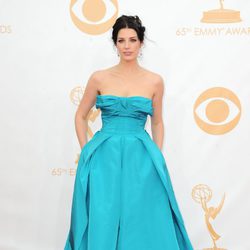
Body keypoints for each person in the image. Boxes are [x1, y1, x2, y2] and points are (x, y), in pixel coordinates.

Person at [64, 14, 194, 250]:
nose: (127, 46)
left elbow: (157, 122)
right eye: (121, 40)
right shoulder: (99, 77)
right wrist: (86, 151)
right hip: (103, 155)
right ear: (115, 43)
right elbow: (80, 115)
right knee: (104, 212)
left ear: (141, 43)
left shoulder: (155, 81)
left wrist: (156, 155)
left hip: (141, 155)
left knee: (142, 215)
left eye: (132, 40)